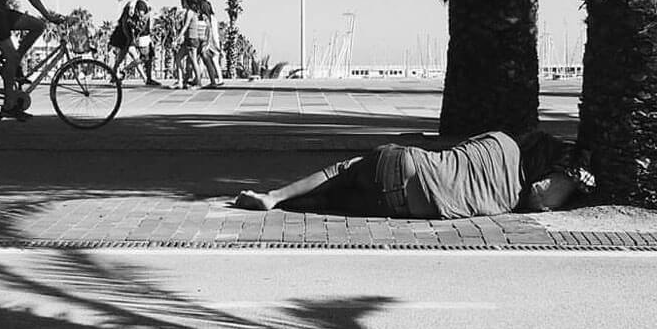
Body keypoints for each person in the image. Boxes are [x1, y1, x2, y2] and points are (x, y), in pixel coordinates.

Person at [233, 130, 592, 218]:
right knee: (335, 202)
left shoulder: (499, 141)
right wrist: (574, 179)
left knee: (344, 171)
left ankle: (275, 197)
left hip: (399, 161)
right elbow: (541, 197)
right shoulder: (517, 188)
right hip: (405, 205)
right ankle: (291, 203)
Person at [111, 0, 161, 86]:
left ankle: (147, 78)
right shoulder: (141, 4)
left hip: (141, 35)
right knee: (143, 58)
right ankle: (124, 70)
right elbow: (142, 18)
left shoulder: (138, 3)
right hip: (142, 35)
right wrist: (150, 13)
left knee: (147, 57)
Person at [173, 0, 203, 89]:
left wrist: (177, 39)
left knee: (193, 60)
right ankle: (180, 80)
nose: (181, 3)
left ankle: (198, 82)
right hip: (187, 40)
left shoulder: (190, 12)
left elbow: (185, 26)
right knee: (178, 58)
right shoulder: (189, 12)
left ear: (186, 2)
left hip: (191, 39)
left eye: (182, 1)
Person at [196, 0, 223, 88]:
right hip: (207, 42)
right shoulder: (209, 17)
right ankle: (213, 80)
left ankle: (214, 80)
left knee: (208, 61)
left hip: (207, 42)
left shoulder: (206, 17)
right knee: (207, 61)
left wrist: (209, 42)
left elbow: (210, 30)